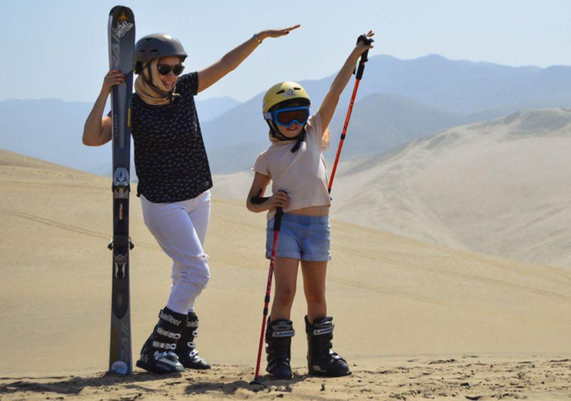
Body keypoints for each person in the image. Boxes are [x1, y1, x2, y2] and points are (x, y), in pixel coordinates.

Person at [83, 25, 299, 374]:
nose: (172, 76)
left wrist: (258, 37)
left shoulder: (185, 90)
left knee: (184, 272)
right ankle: (158, 346)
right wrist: (105, 92)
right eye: (165, 69)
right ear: (145, 68)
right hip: (163, 203)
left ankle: (182, 347)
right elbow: (92, 138)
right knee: (198, 272)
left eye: (177, 68)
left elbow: (226, 64)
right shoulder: (130, 106)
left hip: (200, 195)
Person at [246, 31, 374, 379]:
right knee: (285, 292)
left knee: (316, 293)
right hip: (285, 227)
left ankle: (321, 358)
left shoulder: (315, 130)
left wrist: (356, 53)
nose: (294, 123)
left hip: (318, 226)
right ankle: (279, 361)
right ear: (270, 118)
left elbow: (336, 91)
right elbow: (252, 202)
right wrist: (270, 201)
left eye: (299, 114)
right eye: (285, 116)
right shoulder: (267, 157)